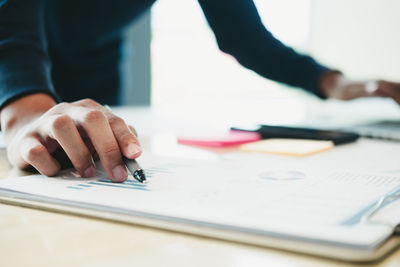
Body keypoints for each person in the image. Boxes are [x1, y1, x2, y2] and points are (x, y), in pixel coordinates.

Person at [0, 0, 399, 182]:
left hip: (96, 75)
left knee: (97, 164)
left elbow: (245, 37)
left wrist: (330, 81)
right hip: (15, 79)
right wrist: (24, 111)